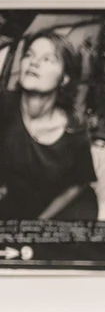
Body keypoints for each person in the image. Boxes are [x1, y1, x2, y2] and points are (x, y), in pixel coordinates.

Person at [0, 29, 98, 222]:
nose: (33, 62)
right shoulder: (4, 105)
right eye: (29, 55)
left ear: (64, 79)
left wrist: (41, 222)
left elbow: (79, 184)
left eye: (47, 59)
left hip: (59, 209)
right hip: (15, 203)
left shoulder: (73, 131)